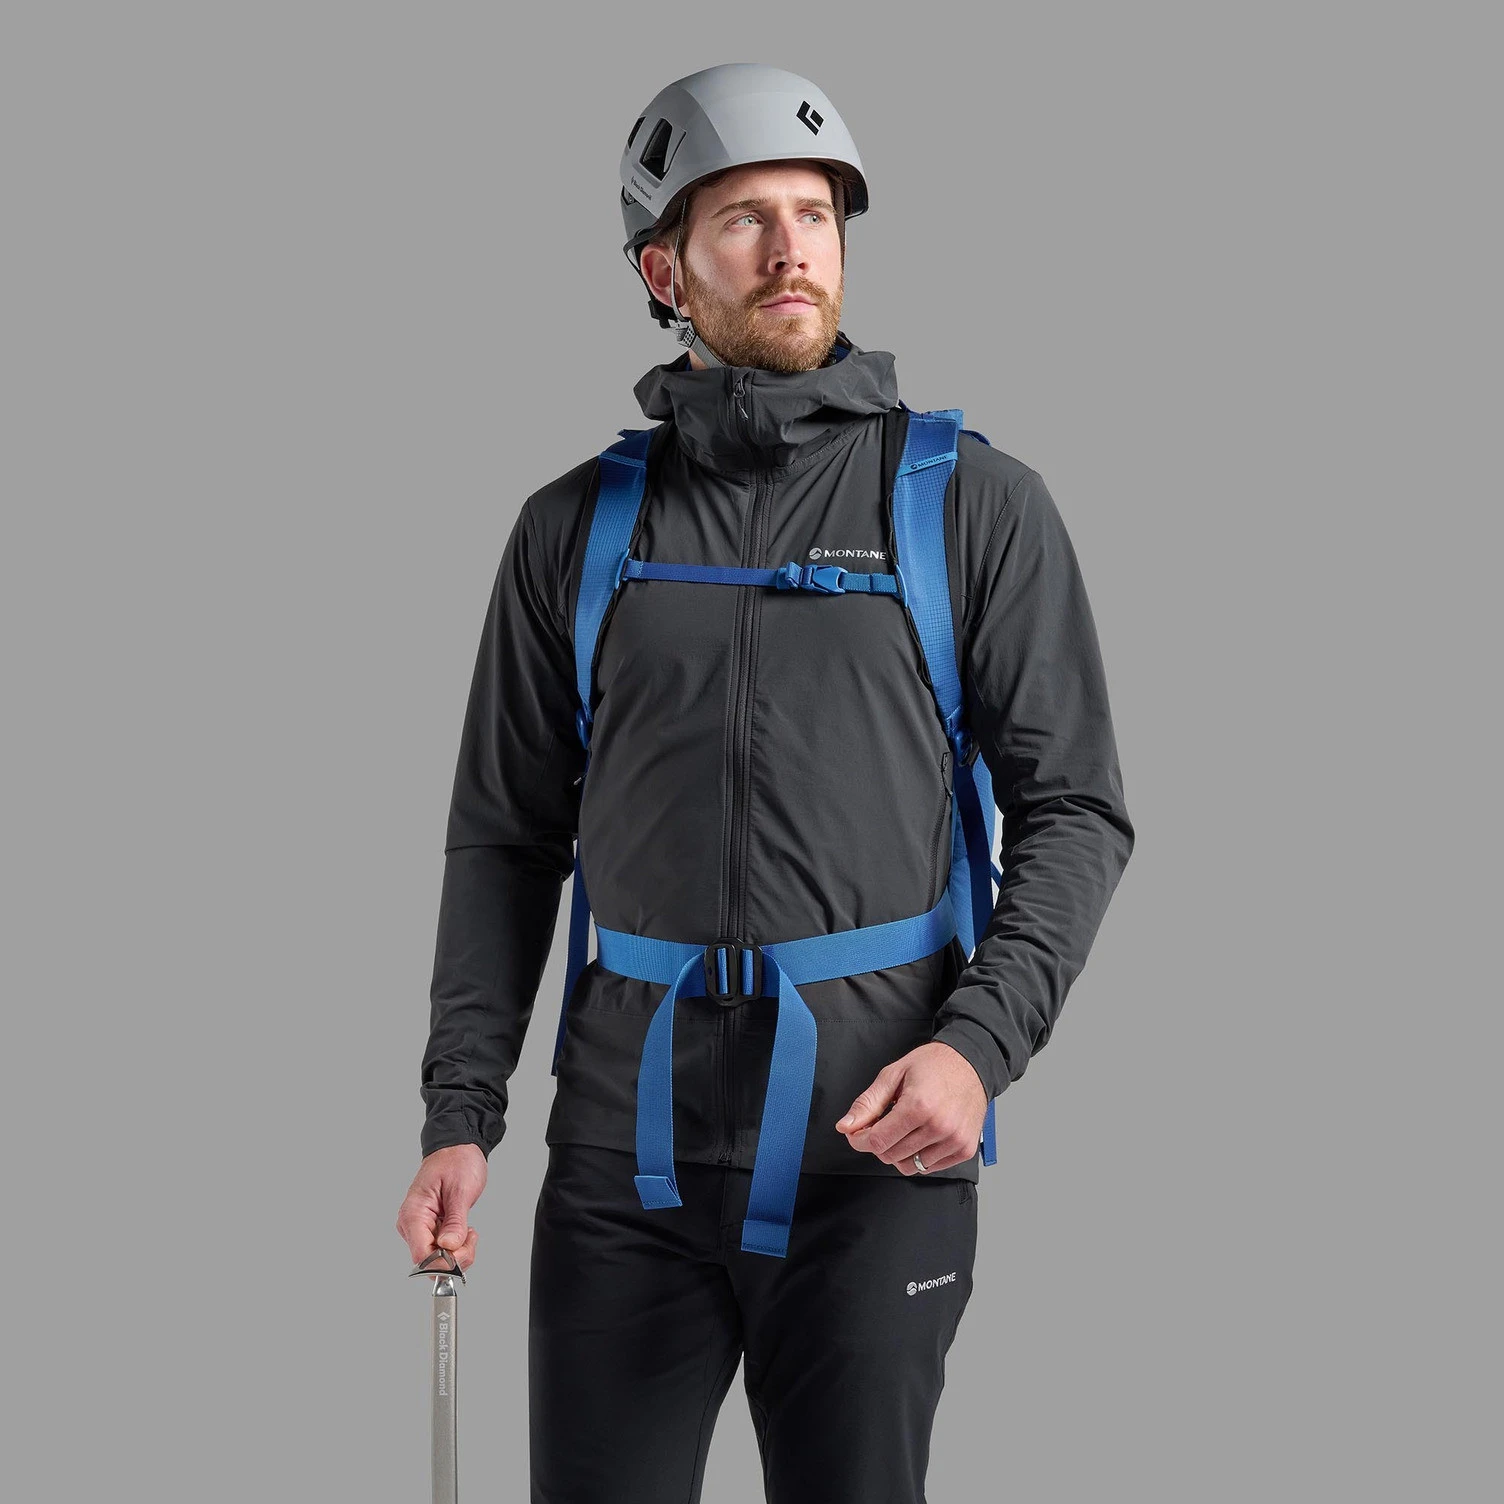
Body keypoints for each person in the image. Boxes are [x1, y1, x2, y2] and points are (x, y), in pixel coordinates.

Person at [396, 62, 1134, 1503]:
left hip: (875, 1153)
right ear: (664, 270)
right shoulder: (573, 529)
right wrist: (459, 1114)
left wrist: (977, 1049)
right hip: (622, 1164)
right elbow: (504, 839)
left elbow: (1076, 812)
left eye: (816, 214)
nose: (793, 249)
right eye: (744, 218)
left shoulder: (971, 506)